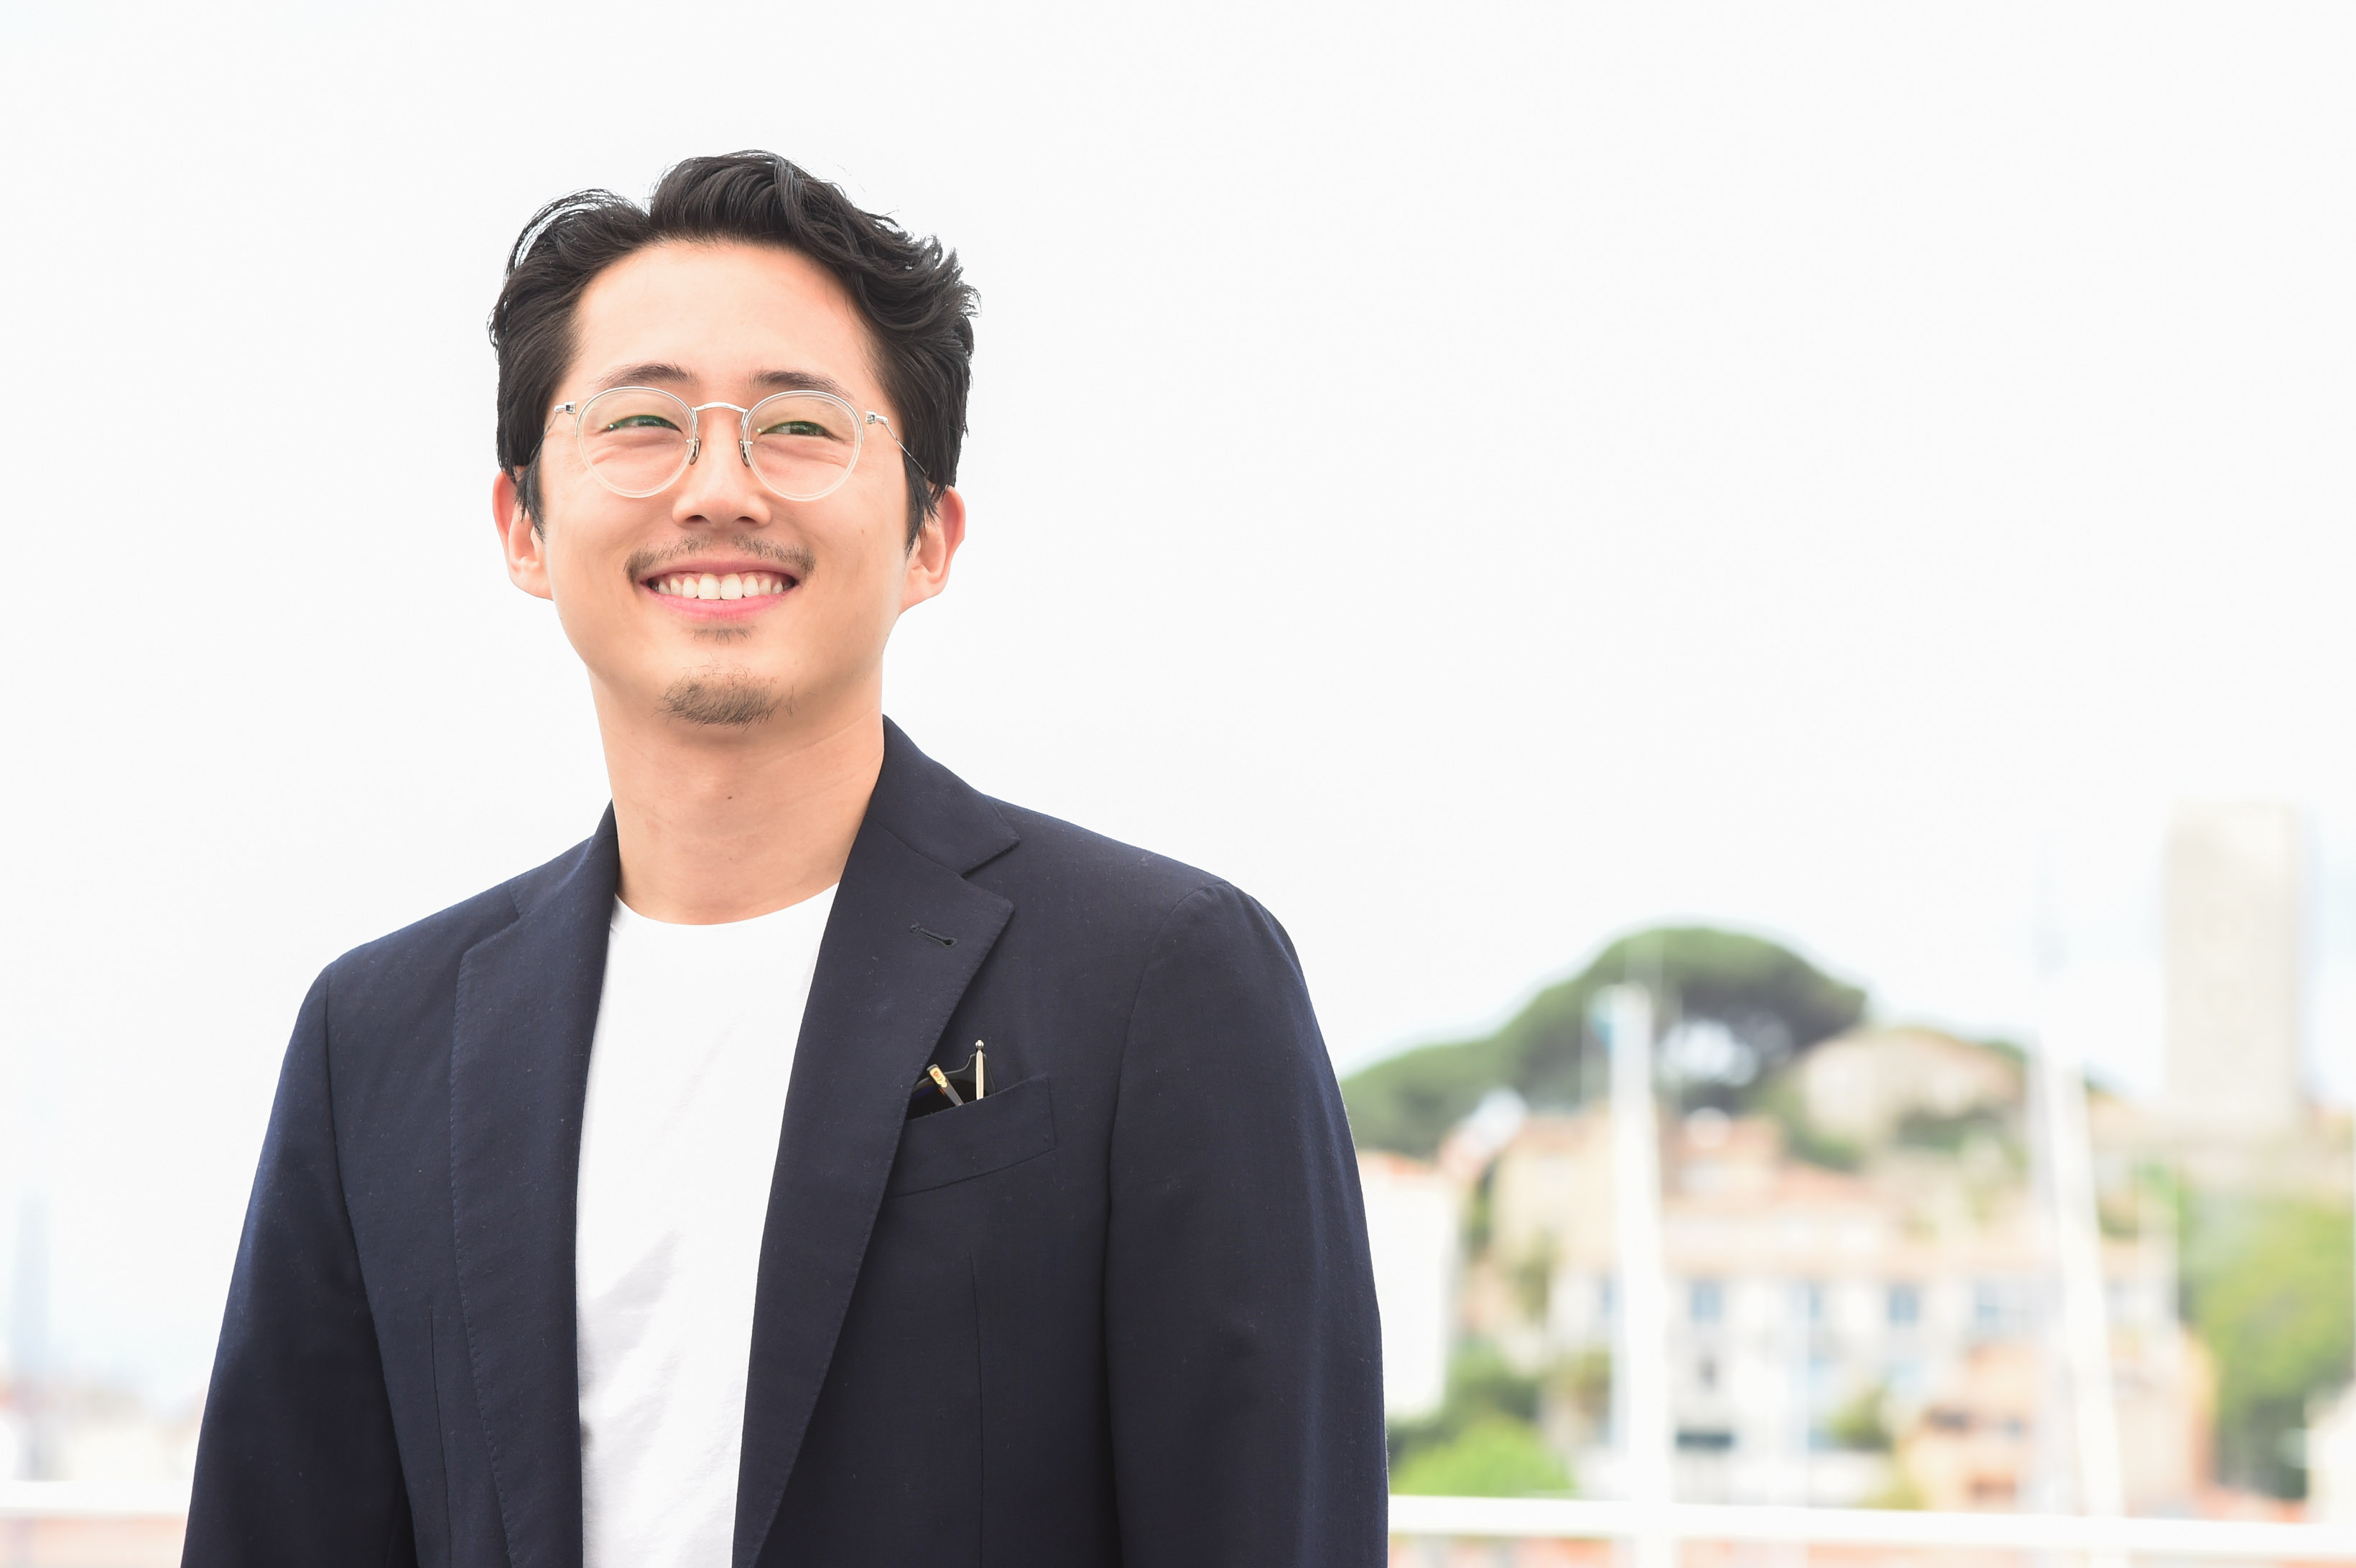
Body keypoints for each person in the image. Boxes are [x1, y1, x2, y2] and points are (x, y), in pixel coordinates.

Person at [180, 151, 1387, 1567]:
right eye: (638, 422)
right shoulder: (378, 1034)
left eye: (799, 427)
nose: (717, 488)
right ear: (523, 526)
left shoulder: (1158, 979)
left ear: (929, 534)